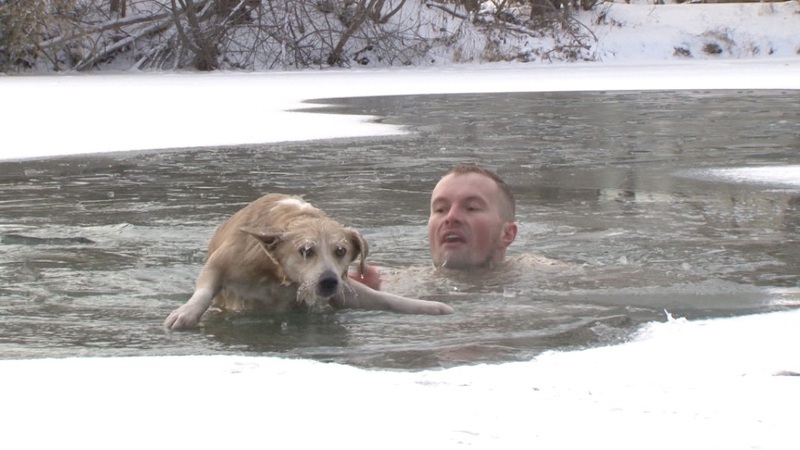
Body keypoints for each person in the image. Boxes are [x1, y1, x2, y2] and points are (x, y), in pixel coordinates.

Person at [351, 164, 518, 290]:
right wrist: (366, 292)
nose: (451, 217)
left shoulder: (529, 278)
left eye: (471, 208)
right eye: (440, 209)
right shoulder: (393, 286)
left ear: (507, 234)